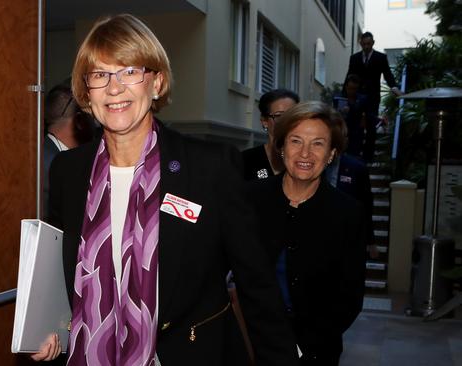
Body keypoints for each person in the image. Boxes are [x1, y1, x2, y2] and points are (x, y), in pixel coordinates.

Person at [35, 14, 299, 366]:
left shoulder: (210, 167)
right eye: (100, 75)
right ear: (86, 93)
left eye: (130, 71)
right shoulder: (69, 171)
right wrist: (49, 327)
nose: (114, 88)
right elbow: (59, 268)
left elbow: (256, 283)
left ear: (156, 83)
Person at [245, 101, 367, 365]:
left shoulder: (347, 213)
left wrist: (302, 347)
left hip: (314, 352)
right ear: (281, 146)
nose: (305, 153)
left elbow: (349, 297)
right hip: (249, 346)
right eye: (296, 141)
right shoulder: (249, 200)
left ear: (332, 154)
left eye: (318, 144)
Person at [345, 32, 401, 162]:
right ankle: (355, 154)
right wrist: (345, 96)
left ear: (373, 43)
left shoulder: (380, 57)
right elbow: (349, 76)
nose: (366, 46)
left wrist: (394, 87)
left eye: (368, 44)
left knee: (371, 127)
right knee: (355, 125)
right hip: (357, 97)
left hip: (372, 97)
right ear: (361, 44)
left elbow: (387, 73)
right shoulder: (354, 58)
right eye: (364, 44)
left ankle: (368, 157)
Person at [43, 81, 96, 214]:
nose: (96, 122)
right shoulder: (46, 164)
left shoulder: (46, 154)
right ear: (79, 121)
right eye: (90, 115)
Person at [242, 89, 299, 180]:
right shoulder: (245, 161)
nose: (287, 121)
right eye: (279, 116)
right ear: (265, 121)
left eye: (293, 115)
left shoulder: (304, 161)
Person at [333, 74, 367, 159]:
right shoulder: (339, 97)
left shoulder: (362, 99)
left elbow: (363, 113)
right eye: (350, 88)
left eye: (355, 89)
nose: (352, 91)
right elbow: (334, 113)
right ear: (346, 86)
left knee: (354, 155)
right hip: (342, 130)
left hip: (356, 132)